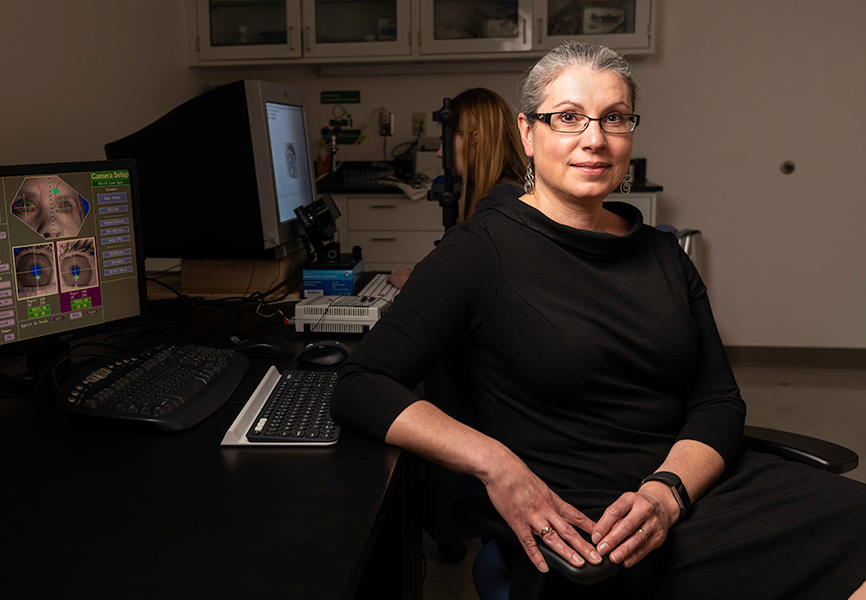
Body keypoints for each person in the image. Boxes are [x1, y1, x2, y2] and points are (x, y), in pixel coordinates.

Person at [333, 41, 866, 599]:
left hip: (684, 490)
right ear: (527, 133)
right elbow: (360, 384)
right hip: (595, 527)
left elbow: (718, 402)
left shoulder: (662, 255)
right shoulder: (480, 251)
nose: (595, 139)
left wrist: (666, 493)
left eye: (613, 118)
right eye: (568, 117)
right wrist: (497, 464)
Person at [386, 87, 526, 289]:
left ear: (475, 139)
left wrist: (412, 282)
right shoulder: (508, 190)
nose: (440, 153)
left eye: (445, 142)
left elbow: (462, 289)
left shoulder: (500, 205)